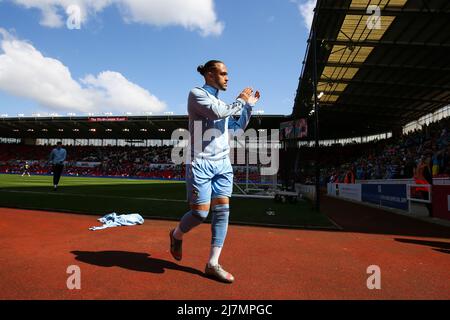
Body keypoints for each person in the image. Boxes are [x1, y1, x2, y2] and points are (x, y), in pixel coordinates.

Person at [169, 60, 260, 283]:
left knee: (222, 212)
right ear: (210, 75)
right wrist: (241, 100)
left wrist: (248, 107)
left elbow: (237, 130)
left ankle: (212, 263)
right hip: (199, 162)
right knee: (200, 213)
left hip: (222, 164)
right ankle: (176, 235)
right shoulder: (196, 95)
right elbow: (219, 112)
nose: (227, 78)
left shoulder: (222, 104)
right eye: (223, 74)